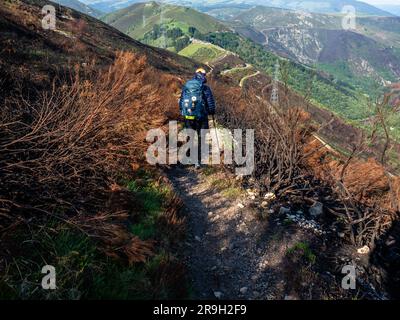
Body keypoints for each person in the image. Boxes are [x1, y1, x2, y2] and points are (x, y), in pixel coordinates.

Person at [179, 68, 216, 169]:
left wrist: (183, 112)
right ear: (203, 76)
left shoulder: (187, 85)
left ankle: (187, 157)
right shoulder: (205, 88)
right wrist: (211, 112)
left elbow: (182, 100)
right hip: (201, 116)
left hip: (188, 115)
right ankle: (198, 161)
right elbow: (210, 102)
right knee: (201, 137)